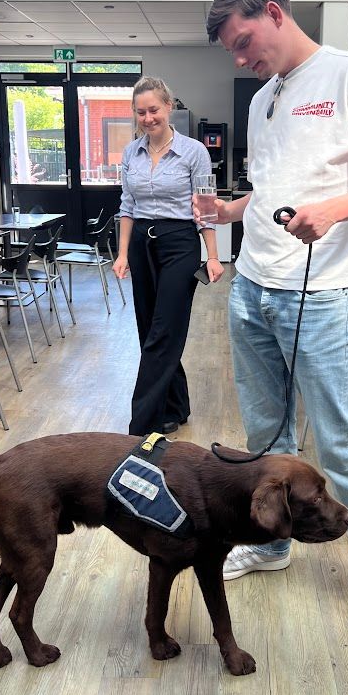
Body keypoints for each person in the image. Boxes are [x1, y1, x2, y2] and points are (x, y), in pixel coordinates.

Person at [203, 0, 348, 630]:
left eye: (242, 41)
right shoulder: (264, 97)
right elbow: (267, 190)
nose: (240, 57)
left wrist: (331, 211)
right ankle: (271, 544)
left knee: (340, 442)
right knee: (267, 440)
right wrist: (229, 210)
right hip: (252, 287)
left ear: (272, 12)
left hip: (317, 297)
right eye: (231, 51)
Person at [114, 76, 224, 436]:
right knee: (150, 328)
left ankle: (141, 424)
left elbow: (205, 209)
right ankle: (177, 405)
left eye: (154, 110)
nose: (148, 118)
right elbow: (127, 206)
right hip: (142, 246)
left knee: (164, 330)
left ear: (169, 107)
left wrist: (213, 255)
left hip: (180, 244)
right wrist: (122, 253)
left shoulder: (194, 151)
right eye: (140, 112)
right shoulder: (131, 152)